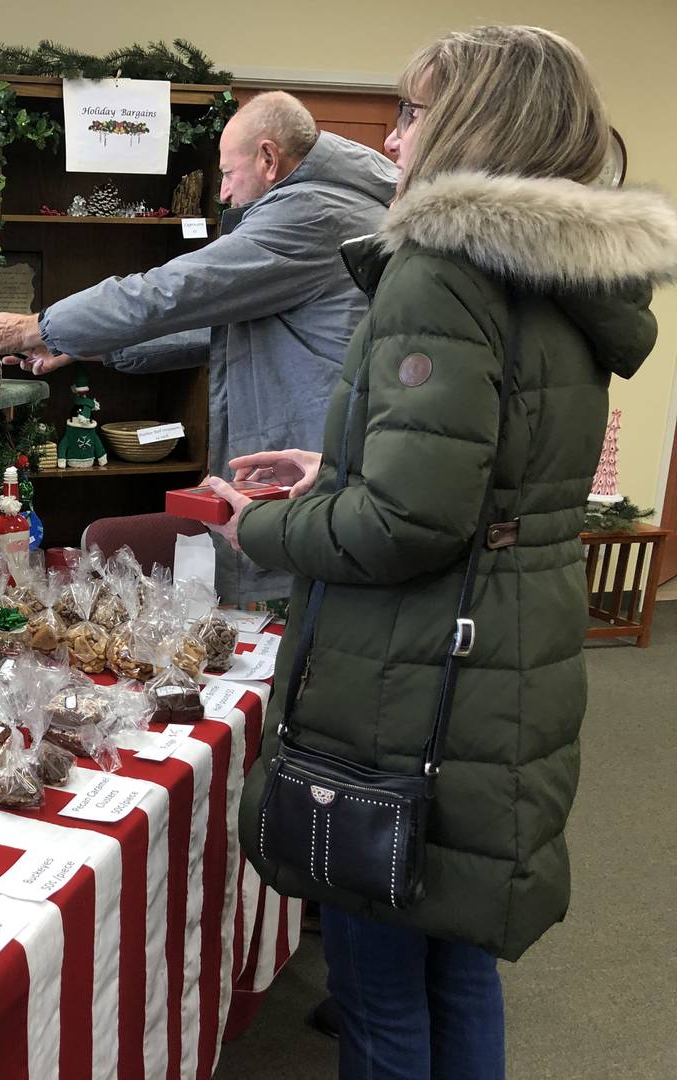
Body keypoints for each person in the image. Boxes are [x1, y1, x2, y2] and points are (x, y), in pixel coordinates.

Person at [202, 26, 677, 1080]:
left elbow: (410, 521)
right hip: (504, 661)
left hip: (411, 685)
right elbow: (489, 473)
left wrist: (261, 524)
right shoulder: (556, 274)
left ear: (468, 125)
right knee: (458, 966)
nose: (394, 133)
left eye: (410, 112)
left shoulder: (441, 269)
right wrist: (335, 466)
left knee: (381, 997)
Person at [0, 92, 397, 606]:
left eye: (228, 174)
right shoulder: (330, 201)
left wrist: (38, 326)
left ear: (268, 158)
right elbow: (223, 327)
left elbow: (170, 291)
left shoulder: (309, 214)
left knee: (295, 621)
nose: (223, 192)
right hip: (311, 459)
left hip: (304, 467)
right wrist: (87, 347)